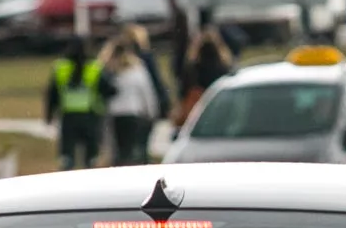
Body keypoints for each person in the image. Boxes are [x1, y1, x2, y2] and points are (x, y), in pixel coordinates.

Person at [44, 37, 111, 170]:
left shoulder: (61, 67)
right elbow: (108, 89)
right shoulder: (95, 67)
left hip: (68, 116)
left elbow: (52, 93)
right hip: (91, 115)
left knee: (67, 158)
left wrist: (49, 114)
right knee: (92, 159)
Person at [102, 27, 160, 165]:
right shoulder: (137, 69)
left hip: (115, 115)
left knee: (119, 152)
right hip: (134, 114)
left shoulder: (109, 71)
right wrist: (152, 112)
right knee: (134, 150)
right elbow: (146, 91)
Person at [173, 27, 234, 127]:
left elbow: (183, 93)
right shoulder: (224, 68)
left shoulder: (192, 70)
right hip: (220, 110)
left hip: (198, 112)